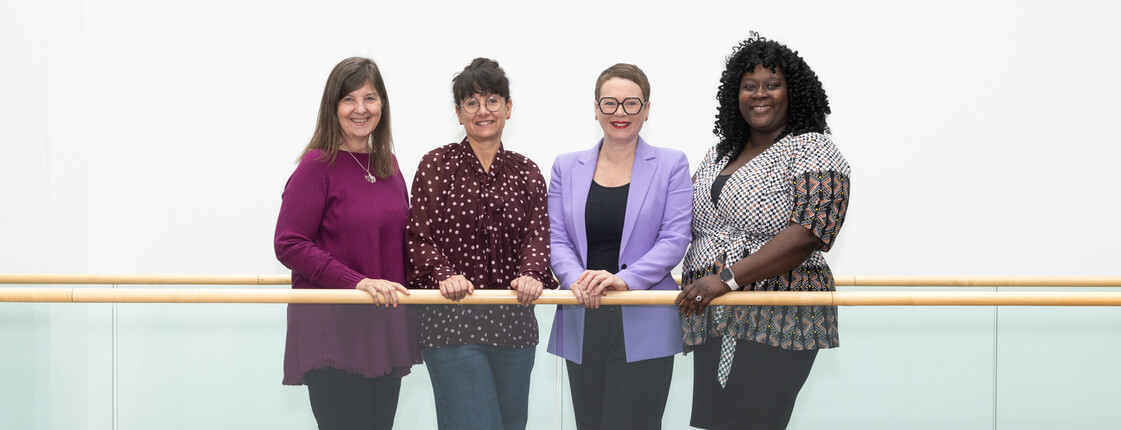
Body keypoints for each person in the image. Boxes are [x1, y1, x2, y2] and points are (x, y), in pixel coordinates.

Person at [675, 33, 851, 430]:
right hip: (713, 314)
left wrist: (726, 279)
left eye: (772, 84)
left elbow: (809, 232)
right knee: (716, 423)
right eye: (749, 85)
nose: (760, 94)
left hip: (777, 312)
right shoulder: (719, 154)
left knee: (754, 421)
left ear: (793, 92)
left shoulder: (811, 148)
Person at [406, 57, 556, 430]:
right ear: (459, 114)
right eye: (471, 103)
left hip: (515, 328)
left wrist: (531, 274)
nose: (482, 110)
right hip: (452, 325)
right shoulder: (435, 165)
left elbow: (538, 235)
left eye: (492, 100)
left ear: (508, 107)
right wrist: (444, 274)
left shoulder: (527, 172)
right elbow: (418, 238)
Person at [273, 57, 421, 429]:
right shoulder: (316, 166)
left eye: (369, 98)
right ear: (333, 107)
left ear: (382, 105)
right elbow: (289, 243)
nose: (360, 109)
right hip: (334, 332)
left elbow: (401, 243)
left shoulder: (388, 165)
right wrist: (356, 281)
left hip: (382, 332)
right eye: (349, 99)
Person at [546, 63, 692, 430]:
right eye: (610, 103)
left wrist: (624, 280)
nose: (620, 112)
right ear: (596, 109)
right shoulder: (566, 167)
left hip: (645, 317)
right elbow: (556, 238)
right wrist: (578, 280)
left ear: (647, 110)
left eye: (631, 103)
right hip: (583, 314)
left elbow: (675, 238)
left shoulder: (671, 164)